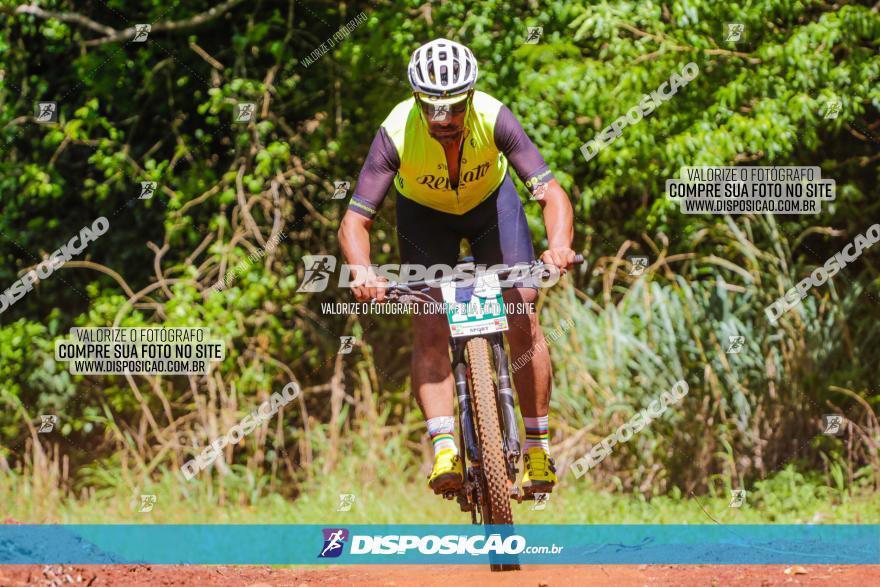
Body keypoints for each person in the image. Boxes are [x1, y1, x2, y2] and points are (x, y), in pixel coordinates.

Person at [338, 38, 576, 495]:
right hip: (424, 219)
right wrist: (362, 270)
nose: (442, 119)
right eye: (431, 109)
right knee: (429, 319)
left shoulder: (494, 116)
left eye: (452, 108)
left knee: (522, 309)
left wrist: (559, 246)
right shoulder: (395, 131)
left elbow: (552, 194)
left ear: (469, 97)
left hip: (493, 210)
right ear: (415, 100)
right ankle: (444, 445)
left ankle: (538, 449)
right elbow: (354, 221)